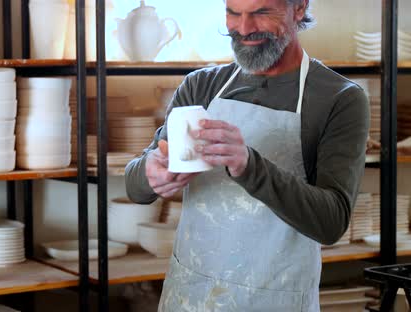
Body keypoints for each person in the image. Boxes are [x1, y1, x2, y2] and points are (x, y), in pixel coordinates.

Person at [124, 0, 369, 310]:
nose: (243, 28)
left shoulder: (339, 98)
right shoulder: (201, 86)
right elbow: (135, 186)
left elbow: (331, 223)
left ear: (299, 8)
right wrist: (150, 173)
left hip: (274, 299)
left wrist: (249, 165)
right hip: (191, 294)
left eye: (261, 12)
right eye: (233, 13)